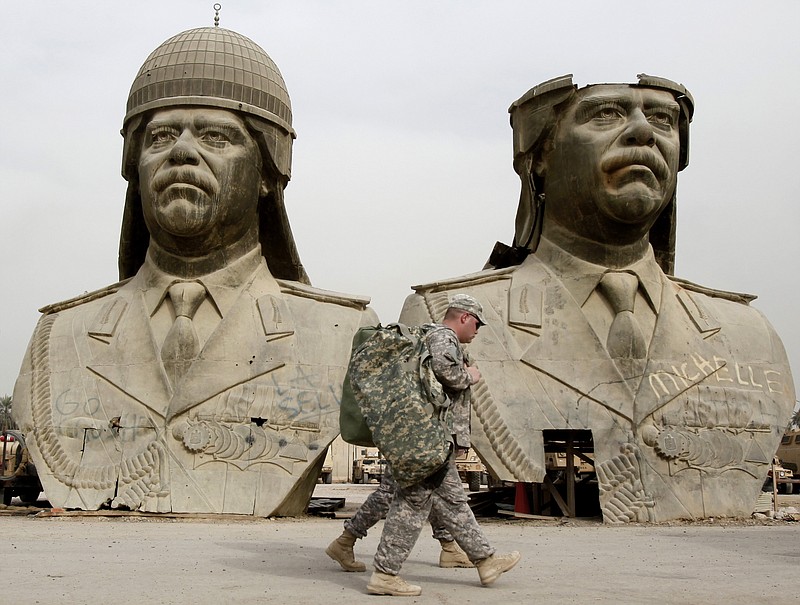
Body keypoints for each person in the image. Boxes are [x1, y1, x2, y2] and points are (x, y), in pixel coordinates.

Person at [12, 24, 376, 516]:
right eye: (160, 135)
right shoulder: (58, 335)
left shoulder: (344, 332)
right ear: (136, 164)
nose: (182, 151)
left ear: (268, 173)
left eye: (215, 136)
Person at [399, 75, 795, 523]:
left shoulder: (749, 334)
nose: (644, 132)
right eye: (606, 114)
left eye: (664, 120)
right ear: (541, 157)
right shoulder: (441, 316)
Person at [367, 294, 520, 597]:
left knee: (454, 503)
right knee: (411, 505)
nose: (477, 331)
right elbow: (444, 371)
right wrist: (469, 376)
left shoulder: (433, 337)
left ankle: (486, 561)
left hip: (428, 439)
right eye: (476, 323)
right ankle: (385, 574)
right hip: (428, 440)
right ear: (464, 317)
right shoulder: (443, 337)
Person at [325, 465, 473, 572]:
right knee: (389, 492)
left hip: (423, 436)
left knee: (434, 487)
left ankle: (449, 548)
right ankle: (345, 541)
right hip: (406, 436)